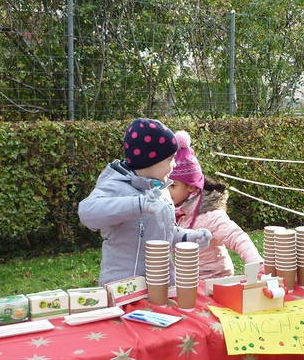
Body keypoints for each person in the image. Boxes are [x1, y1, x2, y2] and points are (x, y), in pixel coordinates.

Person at [78, 119, 212, 286]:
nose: (174, 164)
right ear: (150, 160)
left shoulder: (161, 189)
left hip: (159, 286)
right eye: (170, 159)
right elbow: (87, 212)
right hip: (123, 290)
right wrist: (141, 205)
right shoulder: (116, 186)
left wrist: (187, 236)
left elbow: (163, 232)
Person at [168, 130, 263, 279]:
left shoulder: (210, 214)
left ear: (191, 187)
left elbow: (236, 237)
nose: (167, 190)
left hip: (216, 279)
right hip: (188, 280)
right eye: (165, 184)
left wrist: (257, 265)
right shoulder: (174, 211)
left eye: (172, 185)